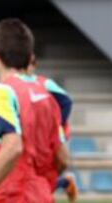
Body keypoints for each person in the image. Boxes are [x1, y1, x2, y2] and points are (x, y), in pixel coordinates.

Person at [0, 18, 67, 203]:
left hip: (11, 197)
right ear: (31, 58)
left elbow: (13, 146)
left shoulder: (0, 92)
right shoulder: (47, 95)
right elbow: (62, 158)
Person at [28, 60, 77, 202]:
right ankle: (64, 183)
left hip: (49, 137)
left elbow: (67, 102)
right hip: (33, 137)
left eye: (30, 63)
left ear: (33, 65)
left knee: (42, 177)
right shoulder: (18, 85)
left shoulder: (44, 83)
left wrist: (56, 126)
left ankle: (62, 184)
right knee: (34, 178)